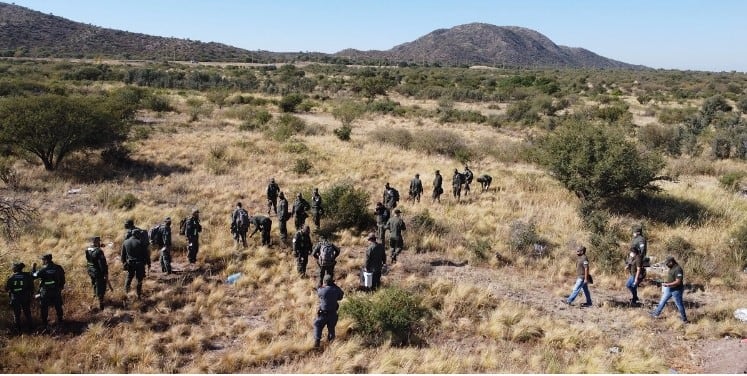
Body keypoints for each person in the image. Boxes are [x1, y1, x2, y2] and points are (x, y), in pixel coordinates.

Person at [651, 256, 688, 323]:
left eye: (667, 263)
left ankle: (684, 319)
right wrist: (666, 283)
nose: (666, 265)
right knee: (662, 301)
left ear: (671, 262)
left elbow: (678, 281)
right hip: (669, 288)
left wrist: (668, 284)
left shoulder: (678, 269)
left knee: (679, 305)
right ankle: (656, 314)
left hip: (676, 290)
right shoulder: (672, 267)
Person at [33, 253, 65, 326]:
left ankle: (45, 323)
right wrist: (61, 287)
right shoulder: (58, 267)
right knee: (58, 306)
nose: (42, 261)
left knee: (44, 307)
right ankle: (60, 320)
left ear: (46, 260)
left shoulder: (43, 269)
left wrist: (33, 268)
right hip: (56, 290)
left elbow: (34, 276)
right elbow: (63, 278)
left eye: (43, 260)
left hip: (45, 292)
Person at [313, 274, 344, 348]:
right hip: (333, 314)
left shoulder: (322, 290)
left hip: (323, 314)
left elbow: (318, 292)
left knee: (317, 325)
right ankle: (331, 344)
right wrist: (335, 286)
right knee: (331, 329)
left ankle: (317, 342)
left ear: (324, 282)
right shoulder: (336, 290)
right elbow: (341, 296)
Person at [121, 224, 150, 299]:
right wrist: (149, 263)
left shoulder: (125, 242)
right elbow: (146, 254)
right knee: (139, 280)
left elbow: (123, 255)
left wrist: (124, 263)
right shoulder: (140, 242)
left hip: (130, 263)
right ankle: (138, 295)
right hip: (139, 264)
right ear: (137, 234)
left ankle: (126, 293)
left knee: (129, 278)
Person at [6, 262, 34, 331]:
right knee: (27, 313)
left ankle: (18, 329)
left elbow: (7, 288)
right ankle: (31, 328)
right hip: (25, 297)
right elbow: (31, 287)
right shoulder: (27, 276)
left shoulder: (11, 277)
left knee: (16, 314)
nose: (12, 268)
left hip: (15, 298)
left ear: (15, 268)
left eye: (13, 267)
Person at [85, 236, 109, 309]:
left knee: (94, 284)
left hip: (90, 270)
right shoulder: (99, 251)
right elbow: (102, 264)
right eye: (98, 242)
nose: (99, 243)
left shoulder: (88, 249)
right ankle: (100, 303)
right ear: (96, 242)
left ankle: (94, 296)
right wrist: (105, 273)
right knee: (101, 287)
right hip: (98, 272)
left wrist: (100, 247)